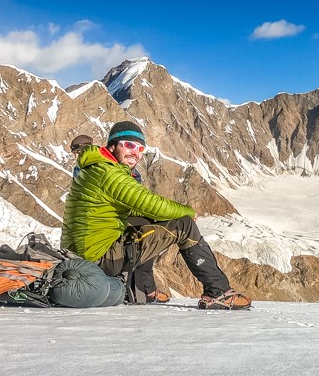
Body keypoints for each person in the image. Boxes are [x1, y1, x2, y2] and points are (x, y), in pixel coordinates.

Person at [61, 121, 251, 310]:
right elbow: (149, 203)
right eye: (128, 145)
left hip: (84, 255)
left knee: (145, 225)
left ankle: (144, 289)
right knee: (184, 226)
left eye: (140, 148)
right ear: (112, 145)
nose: (135, 152)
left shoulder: (97, 166)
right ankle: (218, 292)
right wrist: (188, 212)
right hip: (99, 259)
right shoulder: (108, 172)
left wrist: (156, 218)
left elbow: (138, 210)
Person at [68, 133, 170, 303]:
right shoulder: (94, 165)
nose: (77, 154)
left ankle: (143, 288)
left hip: (114, 214)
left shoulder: (91, 165)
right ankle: (145, 289)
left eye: (77, 150)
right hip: (109, 218)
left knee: (140, 243)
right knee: (143, 242)